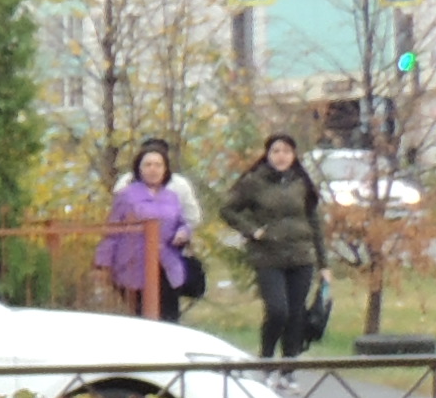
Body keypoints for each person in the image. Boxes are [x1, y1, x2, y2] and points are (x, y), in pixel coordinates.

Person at [223, 134, 329, 359]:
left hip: (301, 257)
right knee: (278, 311)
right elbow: (228, 210)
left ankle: (289, 367)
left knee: (296, 314)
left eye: (287, 152)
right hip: (269, 257)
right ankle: (266, 358)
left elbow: (314, 222)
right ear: (268, 154)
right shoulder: (254, 181)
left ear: (294, 155)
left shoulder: (301, 182)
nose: (281, 156)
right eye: (276, 151)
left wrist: (323, 263)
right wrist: (253, 230)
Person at [93, 139, 198, 322]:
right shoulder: (126, 196)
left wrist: (184, 232)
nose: (153, 169)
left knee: (169, 320)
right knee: (144, 320)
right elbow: (112, 232)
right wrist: (102, 266)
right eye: (148, 164)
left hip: (166, 264)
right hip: (134, 266)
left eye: (158, 165)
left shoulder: (171, 196)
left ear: (165, 169)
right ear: (139, 168)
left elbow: (182, 222)